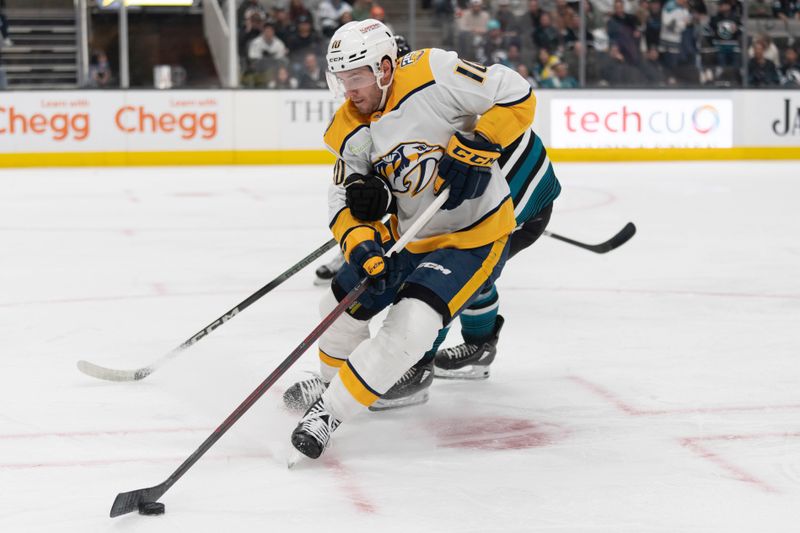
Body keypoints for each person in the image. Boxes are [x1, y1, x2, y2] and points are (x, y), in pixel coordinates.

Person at [287, 18, 537, 460]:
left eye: (357, 77)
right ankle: (332, 383)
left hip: (473, 236)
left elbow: (517, 93)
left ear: (385, 68)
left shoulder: (434, 73)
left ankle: (329, 412)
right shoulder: (348, 127)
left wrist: (479, 144)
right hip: (409, 233)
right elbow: (342, 202)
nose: (349, 90)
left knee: (413, 324)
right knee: (337, 306)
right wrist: (361, 243)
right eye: (341, 79)